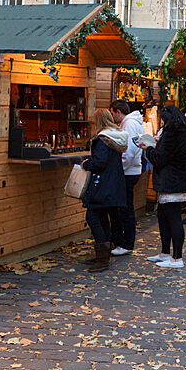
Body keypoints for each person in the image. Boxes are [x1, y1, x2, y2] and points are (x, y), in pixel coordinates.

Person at [144, 105, 186, 268]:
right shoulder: (185, 132)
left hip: (171, 182)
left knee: (172, 218)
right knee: (165, 216)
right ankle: (166, 253)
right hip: (180, 180)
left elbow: (160, 159)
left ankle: (176, 258)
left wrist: (149, 148)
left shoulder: (171, 135)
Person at [81, 109, 128, 272]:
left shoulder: (102, 139)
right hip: (113, 184)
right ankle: (104, 254)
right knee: (103, 217)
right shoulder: (116, 137)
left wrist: (86, 164)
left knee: (93, 216)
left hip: (102, 185)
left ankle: (102, 258)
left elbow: (99, 162)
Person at [109, 100, 144, 256]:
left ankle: (125, 243)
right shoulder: (133, 122)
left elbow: (128, 150)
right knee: (126, 208)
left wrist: (119, 169)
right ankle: (124, 242)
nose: (112, 117)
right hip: (132, 170)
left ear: (117, 111)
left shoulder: (129, 124)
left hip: (128, 172)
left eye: (112, 113)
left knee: (124, 209)